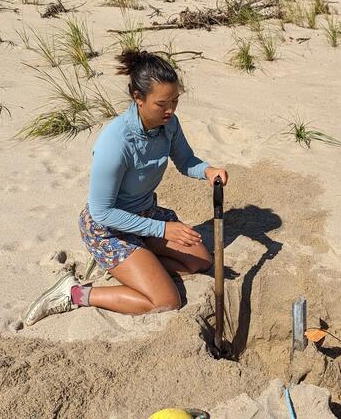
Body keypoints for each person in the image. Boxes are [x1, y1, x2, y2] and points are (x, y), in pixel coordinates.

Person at [23, 50, 227, 326]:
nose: (171, 110)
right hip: (108, 228)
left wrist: (207, 170)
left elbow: (186, 160)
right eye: (162, 103)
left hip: (145, 214)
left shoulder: (169, 124)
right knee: (166, 300)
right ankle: (74, 293)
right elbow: (102, 212)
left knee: (200, 262)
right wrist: (163, 230)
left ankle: (141, 268)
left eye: (175, 101)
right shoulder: (116, 142)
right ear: (138, 99)